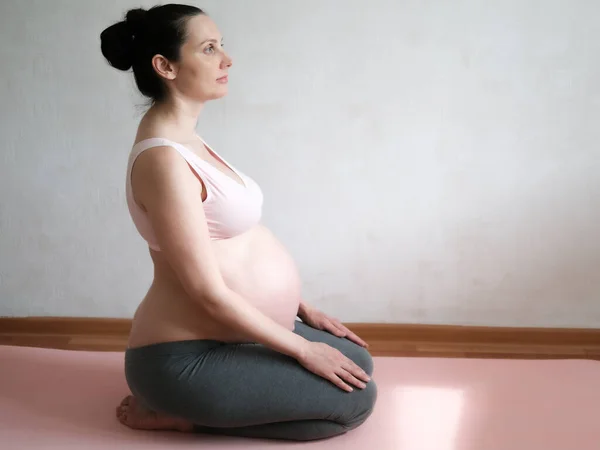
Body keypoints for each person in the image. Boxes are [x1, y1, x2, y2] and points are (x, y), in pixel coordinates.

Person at [100, 4, 377, 441]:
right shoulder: (163, 161)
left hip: (226, 339)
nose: (227, 60)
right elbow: (206, 292)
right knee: (355, 403)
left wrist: (299, 308)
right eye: (209, 49)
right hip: (183, 358)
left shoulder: (187, 140)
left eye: (222, 46)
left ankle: (209, 401)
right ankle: (174, 413)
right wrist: (303, 349)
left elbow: (229, 242)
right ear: (165, 66)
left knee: (358, 366)